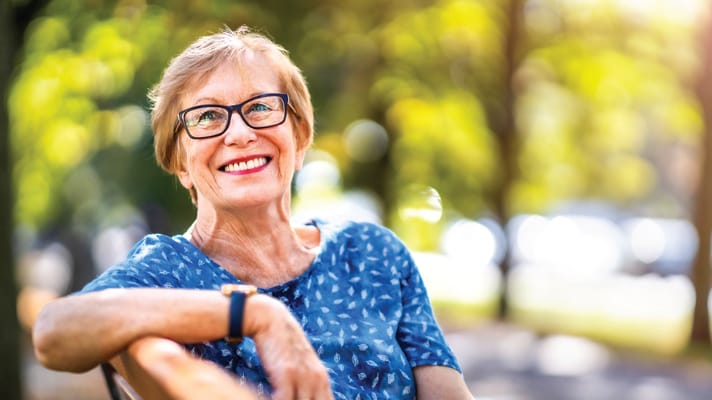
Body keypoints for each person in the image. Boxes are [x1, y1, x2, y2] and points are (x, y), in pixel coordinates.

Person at [32, 25, 474, 399]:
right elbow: (54, 330)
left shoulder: (373, 252)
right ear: (181, 163)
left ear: (299, 139)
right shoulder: (167, 268)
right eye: (206, 116)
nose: (240, 133)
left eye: (261, 107)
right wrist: (256, 315)